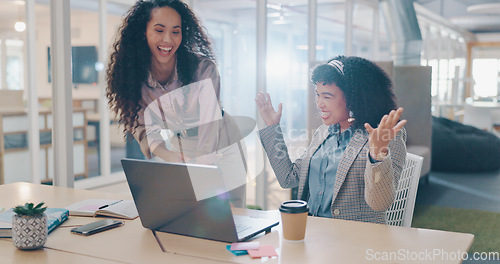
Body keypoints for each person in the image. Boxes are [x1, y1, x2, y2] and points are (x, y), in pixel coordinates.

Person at [106, 0, 246, 207]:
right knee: (188, 212)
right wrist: (168, 154)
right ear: (143, 32)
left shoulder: (203, 69)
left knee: (230, 213)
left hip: (224, 142)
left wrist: (202, 170)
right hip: (181, 144)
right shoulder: (133, 77)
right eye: (159, 30)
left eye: (176, 32)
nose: (168, 39)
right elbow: (141, 127)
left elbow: (210, 124)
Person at [255, 56, 407, 223]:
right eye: (318, 95)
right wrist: (272, 128)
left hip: (355, 238)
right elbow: (288, 178)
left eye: (327, 97)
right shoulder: (324, 132)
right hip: (312, 231)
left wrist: (377, 155)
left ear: (354, 98)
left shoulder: (385, 136)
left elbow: (380, 204)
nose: (319, 103)